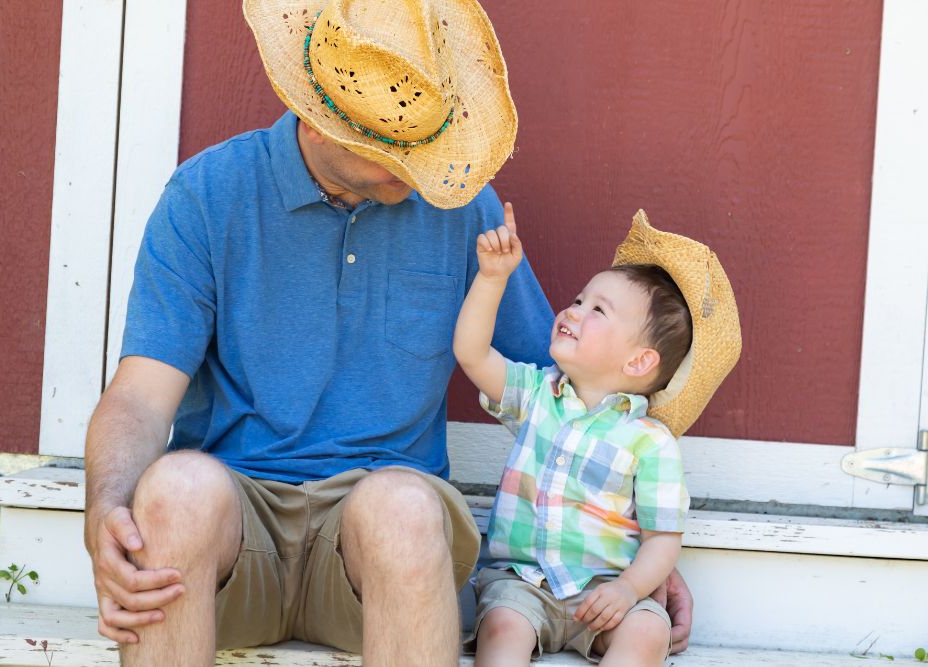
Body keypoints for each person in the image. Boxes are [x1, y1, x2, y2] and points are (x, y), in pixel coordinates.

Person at [82, 0, 695, 665]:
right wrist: (105, 510)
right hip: (237, 533)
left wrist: (634, 557)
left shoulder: (455, 201)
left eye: (421, 141)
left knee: (401, 505)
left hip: (384, 550)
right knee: (173, 489)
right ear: (318, 125)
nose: (416, 168)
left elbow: (571, 397)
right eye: (389, 148)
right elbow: (140, 397)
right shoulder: (207, 196)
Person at [453, 206, 741, 665]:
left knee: (648, 628)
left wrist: (629, 590)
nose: (573, 310)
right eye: (579, 299)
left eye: (597, 310)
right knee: (503, 625)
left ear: (638, 362)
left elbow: (662, 538)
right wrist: (492, 278)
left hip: (607, 589)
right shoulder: (535, 394)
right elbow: (470, 354)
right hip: (525, 583)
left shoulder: (650, 441)